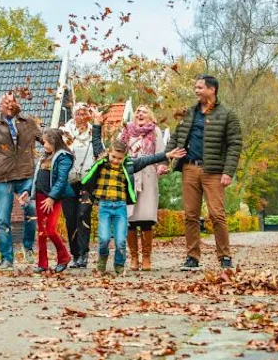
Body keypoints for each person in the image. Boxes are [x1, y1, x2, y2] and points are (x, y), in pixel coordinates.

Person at [81, 111, 187, 275]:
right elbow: (96, 142)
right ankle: (102, 259)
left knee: (120, 240)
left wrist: (167, 155)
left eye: (119, 159)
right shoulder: (102, 161)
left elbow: (147, 160)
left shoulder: (129, 165)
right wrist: (96, 123)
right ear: (109, 154)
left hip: (120, 207)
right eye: (113, 157)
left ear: (125, 158)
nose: (116, 161)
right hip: (104, 207)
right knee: (103, 239)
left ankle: (119, 265)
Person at [163, 75, 244, 270]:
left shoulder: (227, 115)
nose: (196, 90)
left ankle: (224, 257)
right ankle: (192, 257)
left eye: (200, 87)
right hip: (189, 168)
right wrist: (165, 159)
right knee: (191, 215)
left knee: (217, 215)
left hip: (214, 172)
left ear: (212, 90)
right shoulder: (189, 113)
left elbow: (235, 144)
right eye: (196, 87)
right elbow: (176, 138)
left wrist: (228, 172)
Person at [0, 92, 42, 270]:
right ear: (0, 106)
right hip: (3, 178)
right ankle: (7, 258)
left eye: (12, 101)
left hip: (25, 175)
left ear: (17, 104)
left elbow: (45, 139)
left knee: (30, 210)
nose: (9, 104)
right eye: (6, 102)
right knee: (3, 219)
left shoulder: (28, 122)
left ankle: (27, 246)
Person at [119, 105, 168, 271]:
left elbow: (161, 152)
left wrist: (162, 166)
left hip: (148, 175)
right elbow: (117, 150)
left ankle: (146, 257)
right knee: (130, 217)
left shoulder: (155, 131)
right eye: (138, 111)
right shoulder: (126, 131)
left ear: (150, 117)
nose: (140, 113)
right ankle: (133, 257)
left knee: (146, 217)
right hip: (130, 175)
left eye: (144, 111)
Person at [32, 128, 75, 273]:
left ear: (54, 142)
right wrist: (28, 192)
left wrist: (52, 197)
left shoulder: (64, 157)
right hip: (39, 196)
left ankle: (64, 256)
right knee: (41, 232)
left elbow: (61, 180)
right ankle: (42, 264)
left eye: (45, 143)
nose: (43, 145)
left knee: (50, 230)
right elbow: (37, 177)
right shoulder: (44, 156)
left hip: (53, 198)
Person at [60, 103, 96, 268]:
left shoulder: (93, 132)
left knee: (83, 215)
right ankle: (74, 253)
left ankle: (84, 253)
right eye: (78, 114)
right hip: (68, 181)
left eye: (84, 114)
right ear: (73, 115)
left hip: (87, 181)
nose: (81, 117)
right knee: (70, 218)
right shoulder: (64, 133)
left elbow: (99, 152)